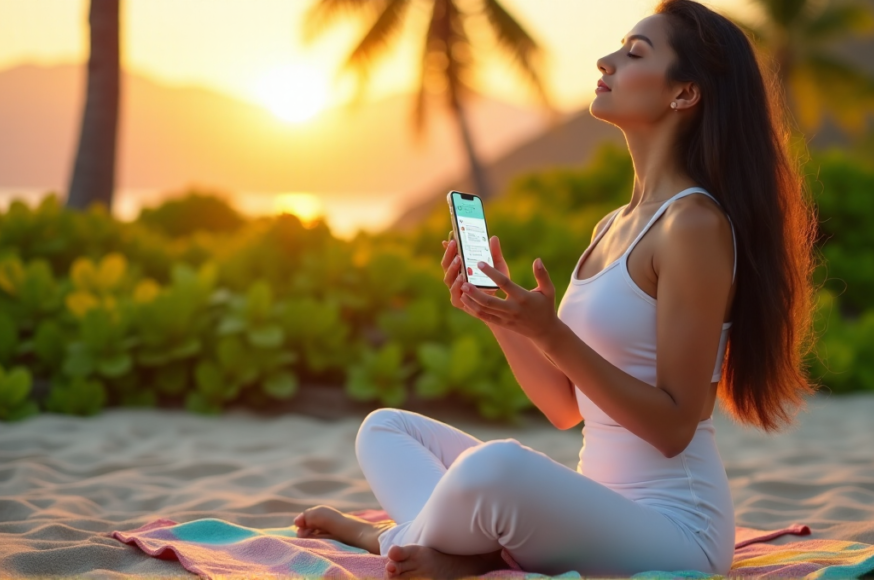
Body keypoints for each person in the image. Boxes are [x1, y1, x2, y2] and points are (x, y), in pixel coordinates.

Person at [293, 0, 820, 577]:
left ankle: (387, 539)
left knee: (497, 469)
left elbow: (675, 427)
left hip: (674, 531)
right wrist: (501, 316)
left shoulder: (692, 225)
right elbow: (566, 408)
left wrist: (551, 334)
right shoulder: (613, 226)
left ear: (684, 93)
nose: (606, 60)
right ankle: (464, 551)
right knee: (387, 428)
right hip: (595, 509)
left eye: (634, 53)